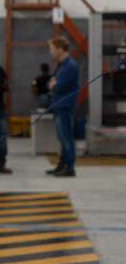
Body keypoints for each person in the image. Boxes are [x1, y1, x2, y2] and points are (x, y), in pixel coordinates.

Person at [46, 36, 80, 177]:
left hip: (64, 106)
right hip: (58, 105)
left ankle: (69, 167)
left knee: (67, 138)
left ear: (60, 49)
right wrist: (53, 84)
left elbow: (58, 86)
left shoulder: (70, 66)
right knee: (61, 138)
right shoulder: (61, 65)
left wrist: (54, 84)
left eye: (52, 49)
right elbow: (49, 83)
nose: (50, 52)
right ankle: (61, 165)